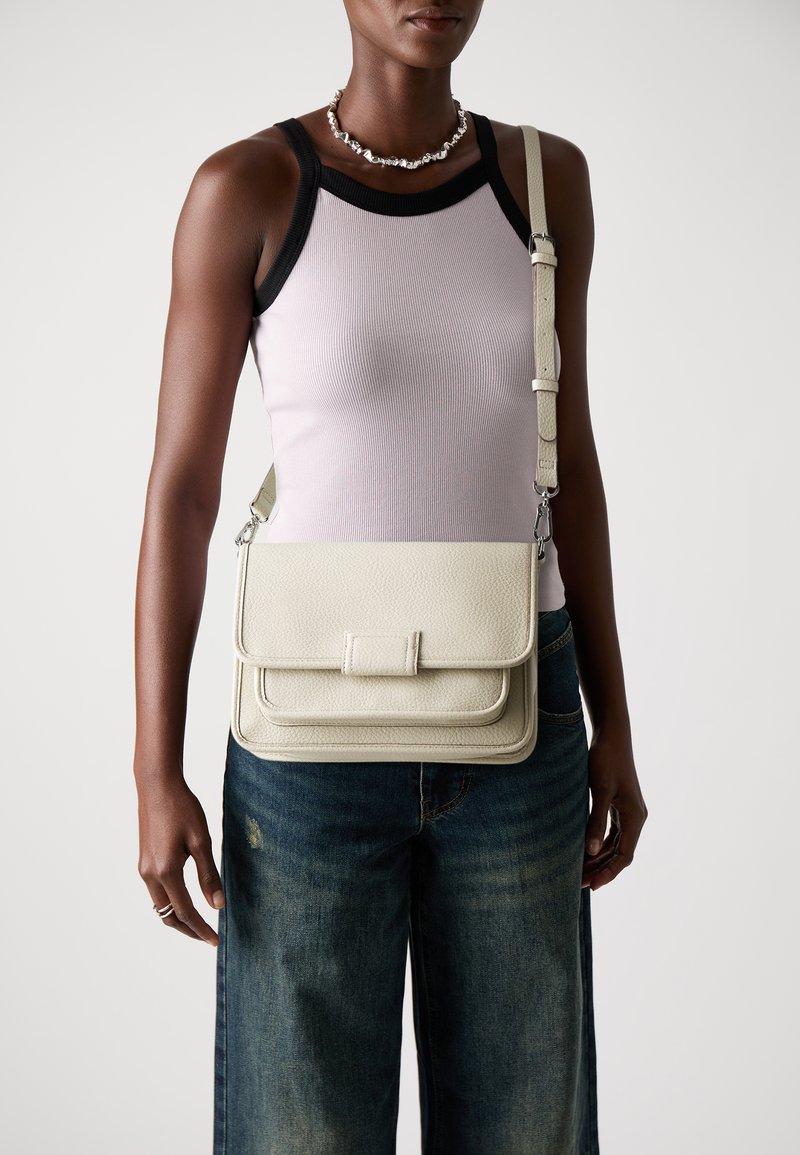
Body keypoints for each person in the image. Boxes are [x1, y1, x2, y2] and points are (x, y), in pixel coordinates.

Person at [133, 2, 648, 1151]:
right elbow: (181, 493)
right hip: (304, 737)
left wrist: (612, 722)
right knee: (297, 1131)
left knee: (525, 1126)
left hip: (520, 718)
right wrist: (151, 769)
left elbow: (566, 468)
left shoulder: (545, 183)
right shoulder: (247, 188)